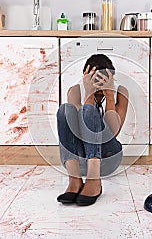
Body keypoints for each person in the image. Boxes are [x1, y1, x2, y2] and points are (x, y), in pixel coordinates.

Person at [56, 54, 129, 206]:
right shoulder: (75, 91)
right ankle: (74, 180)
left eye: (103, 83)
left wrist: (109, 95)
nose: (99, 89)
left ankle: (94, 180)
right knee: (65, 109)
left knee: (88, 110)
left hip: (109, 158)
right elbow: (76, 132)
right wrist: (89, 94)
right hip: (80, 161)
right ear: (86, 79)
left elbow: (114, 132)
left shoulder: (120, 92)